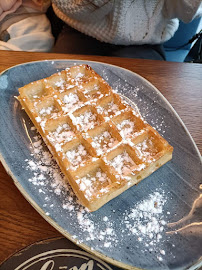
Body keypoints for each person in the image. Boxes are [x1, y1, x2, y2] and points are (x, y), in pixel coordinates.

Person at [52, 0, 202, 60]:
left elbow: (188, 13)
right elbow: (69, 6)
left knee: (145, 101)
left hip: (146, 41)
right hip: (80, 32)